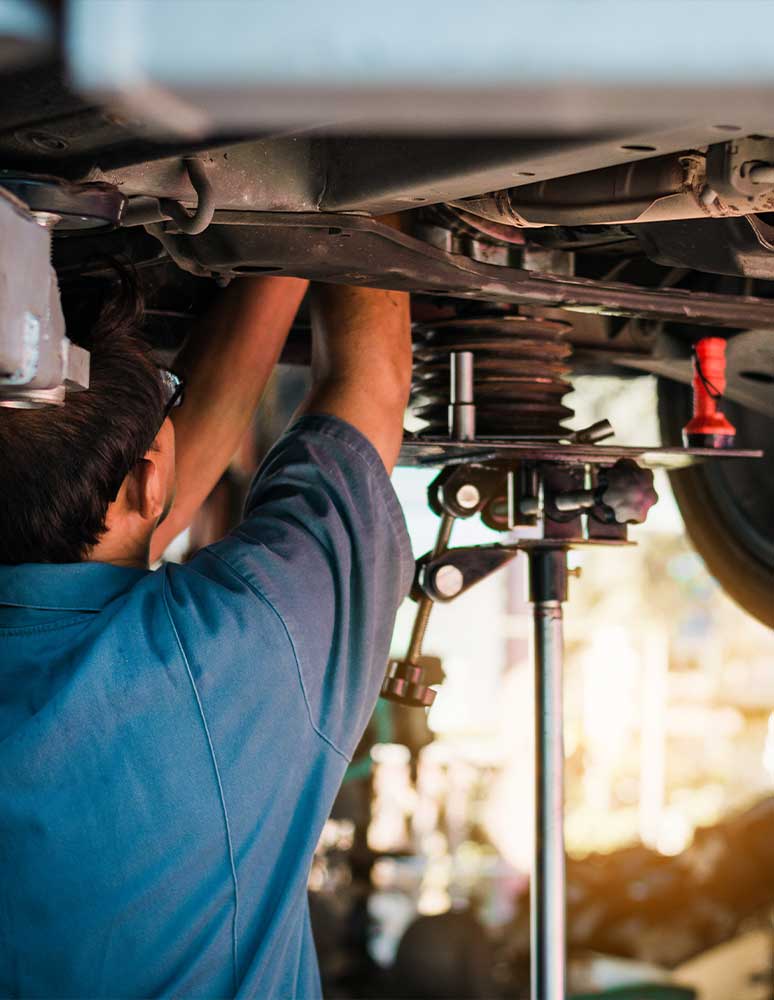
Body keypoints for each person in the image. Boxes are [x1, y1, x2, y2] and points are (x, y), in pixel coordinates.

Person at [0, 274, 414, 998]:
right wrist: (294, 222)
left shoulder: (243, 649)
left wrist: (326, 224)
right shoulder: (228, 649)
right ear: (148, 484)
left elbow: (366, 388)